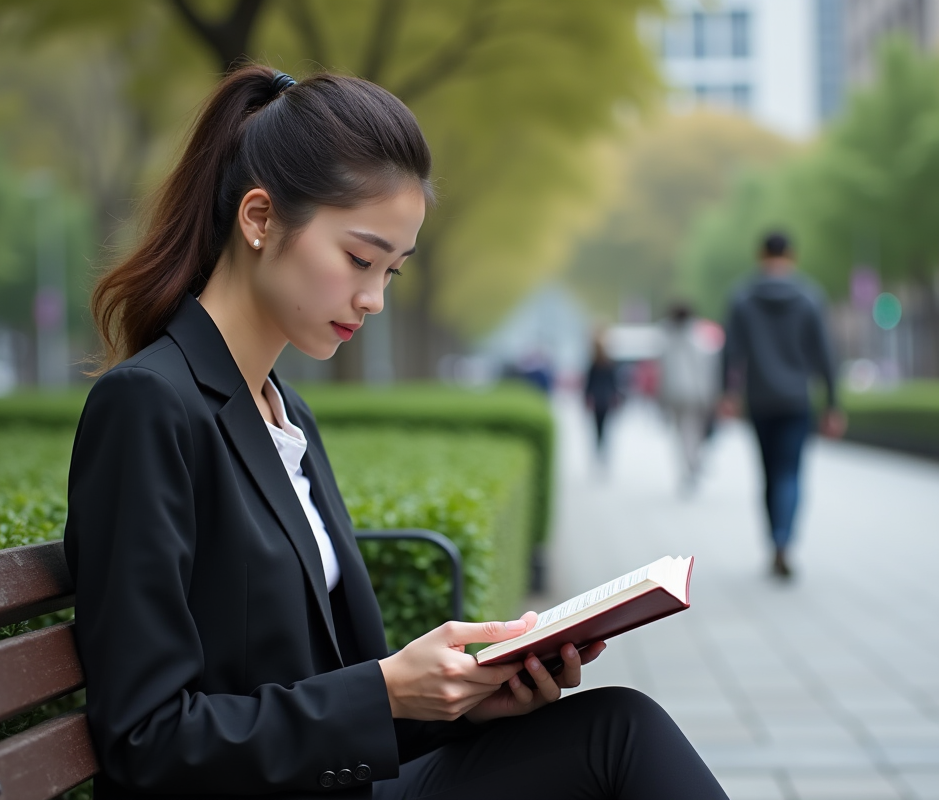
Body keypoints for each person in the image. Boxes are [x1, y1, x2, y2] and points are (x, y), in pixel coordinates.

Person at [64, 65, 728, 799]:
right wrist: (384, 692)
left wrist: (464, 703)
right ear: (258, 219)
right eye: (359, 259)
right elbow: (146, 739)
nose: (374, 298)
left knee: (619, 728)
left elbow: (338, 697)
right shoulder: (149, 406)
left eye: (392, 271)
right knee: (623, 738)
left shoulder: (284, 413)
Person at [719, 232, 846, 579]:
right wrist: (833, 403)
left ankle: (774, 541)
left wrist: (727, 393)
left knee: (768, 474)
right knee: (790, 472)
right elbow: (825, 352)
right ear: (792, 256)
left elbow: (730, 352)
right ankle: (784, 541)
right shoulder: (809, 296)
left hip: (759, 399)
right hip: (796, 400)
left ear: (760, 256)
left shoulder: (743, 297)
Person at [657, 303, 718, 491]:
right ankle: (692, 463)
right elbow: (704, 368)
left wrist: (662, 398)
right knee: (693, 432)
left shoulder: (665, 337)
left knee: (682, 433)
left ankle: (689, 465)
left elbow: (662, 371)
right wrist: (709, 395)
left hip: (674, 393)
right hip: (694, 393)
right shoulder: (697, 337)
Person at [583, 331, 620, 460]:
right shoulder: (600, 365)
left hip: (601, 399)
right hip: (603, 399)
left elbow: (611, 383)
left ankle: (600, 448)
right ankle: (601, 449)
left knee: (599, 426)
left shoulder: (599, 365)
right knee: (601, 426)